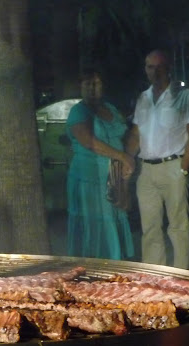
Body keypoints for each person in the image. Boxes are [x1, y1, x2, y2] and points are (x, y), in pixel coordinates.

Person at [125, 49, 189, 270]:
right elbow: (136, 134)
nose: (155, 72)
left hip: (173, 167)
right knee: (150, 227)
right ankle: (154, 273)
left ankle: (182, 274)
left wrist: (184, 167)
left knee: (178, 226)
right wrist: (127, 159)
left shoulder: (183, 96)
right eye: (150, 67)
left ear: (168, 68)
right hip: (146, 170)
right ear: (145, 70)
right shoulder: (143, 98)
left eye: (159, 67)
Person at [65, 69, 135, 260]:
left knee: (113, 219)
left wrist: (126, 161)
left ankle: (114, 266)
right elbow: (88, 140)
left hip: (113, 174)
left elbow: (126, 134)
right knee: (94, 224)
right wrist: (121, 156)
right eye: (87, 84)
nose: (92, 89)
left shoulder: (111, 109)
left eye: (96, 84)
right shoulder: (78, 111)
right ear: (80, 87)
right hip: (88, 178)